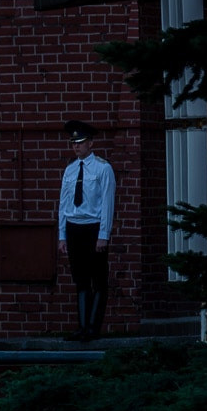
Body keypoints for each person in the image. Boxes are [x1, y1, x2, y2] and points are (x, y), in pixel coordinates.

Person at [57, 120, 116, 342]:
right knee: (80, 279)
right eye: (74, 142)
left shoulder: (103, 168)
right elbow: (63, 204)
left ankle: (93, 327)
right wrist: (62, 235)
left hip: (93, 227)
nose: (76, 146)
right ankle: (82, 327)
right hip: (74, 228)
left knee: (98, 279)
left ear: (90, 143)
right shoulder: (70, 169)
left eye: (80, 142)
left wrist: (103, 235)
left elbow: (107, 204)